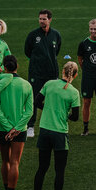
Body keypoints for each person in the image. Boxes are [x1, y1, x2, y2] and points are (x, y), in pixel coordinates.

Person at [32, 62, 80, 190]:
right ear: (75, 75)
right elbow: (76, 116)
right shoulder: (73, 92)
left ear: (63, 71)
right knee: (59, 171)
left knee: (42, 168)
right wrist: (64, 115)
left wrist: (48, 109)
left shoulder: (49, 84)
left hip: (45, 130)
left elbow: (37, 101)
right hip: (59, 133)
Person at [0, 55, 34, 190]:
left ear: (4, 67)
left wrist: (6, 126)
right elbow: (29, 111)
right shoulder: (26, 85)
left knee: (5, 161)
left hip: (2, 129)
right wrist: (17, 128)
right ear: (17, 66)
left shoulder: (0, 83)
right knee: (15, 163)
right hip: (20, 130)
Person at [24, 9, 61, 138]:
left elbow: (56, 52)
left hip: (51, 73)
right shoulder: (33, 35)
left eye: (44, 19)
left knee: (52, 100)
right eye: (40, 19)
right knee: (33, 99)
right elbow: (27, 51)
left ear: (50, 19)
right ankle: (30, 126)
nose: (41, 21)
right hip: (36, 74)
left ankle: (52, 125)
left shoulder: (56, 35)